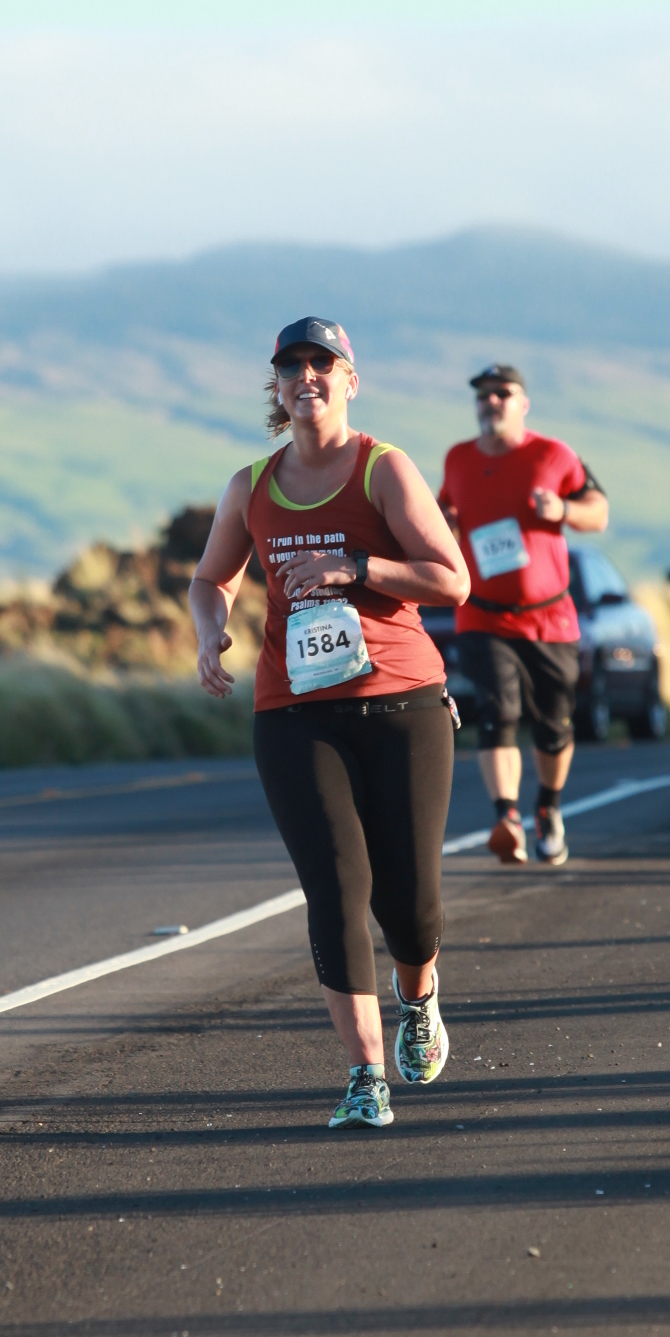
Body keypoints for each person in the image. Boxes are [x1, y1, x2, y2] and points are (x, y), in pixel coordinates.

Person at [190, 318, 471, 1128]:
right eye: (292, 366)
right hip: (295, 711)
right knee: (336, 890)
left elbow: (451, 581)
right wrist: (210, 630)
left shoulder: (384, 469)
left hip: (402, 703)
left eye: (323, 363)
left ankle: (419, 996)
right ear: (276, 386)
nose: (306, 376)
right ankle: (364, 1076)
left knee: (409, 903)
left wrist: (357, 568)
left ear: (351, 379)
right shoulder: (251, 486)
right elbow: (211, 579)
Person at [437, 362, 609, 866]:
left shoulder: (553, 455)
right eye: (483, 395)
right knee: (498, 712)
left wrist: (564, 511)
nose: (491, 402)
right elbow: (445, 515)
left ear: (524, 403)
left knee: (554, 723)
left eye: (502, 393)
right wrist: (445, 522)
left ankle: (548, 809)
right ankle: (507, 818)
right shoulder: (458, 458)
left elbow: (599, 511)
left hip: (549, 617)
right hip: (483, 615)